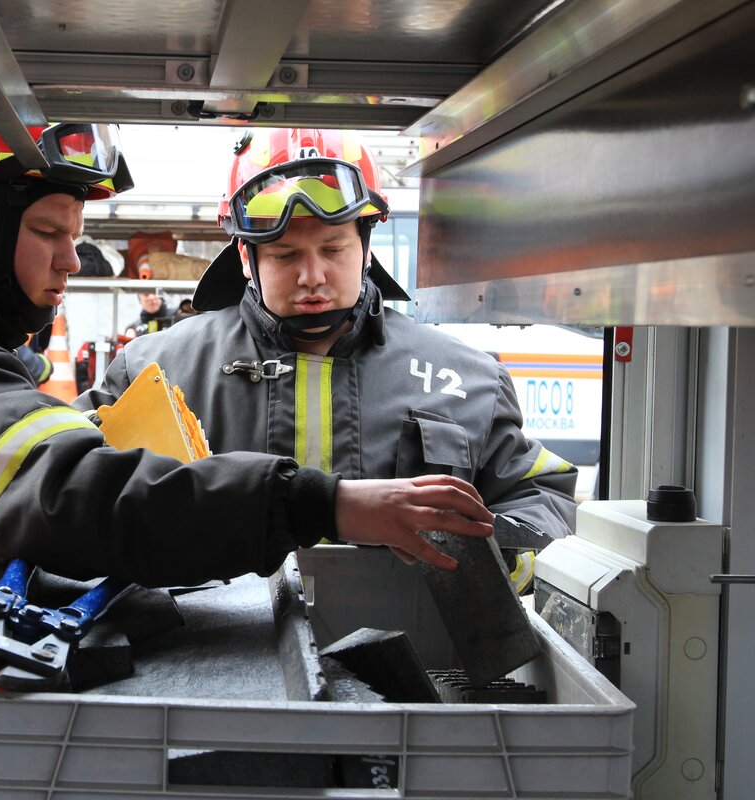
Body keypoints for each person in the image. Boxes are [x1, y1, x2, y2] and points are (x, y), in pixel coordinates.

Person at [0, 120, 496, 678]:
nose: (74, 260)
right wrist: (323, 504)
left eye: (333, 247)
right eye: (47, 230)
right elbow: (78, 493)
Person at [77, 128, 577, 581]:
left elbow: (540, 498)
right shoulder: (152, 372)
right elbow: (69, 485)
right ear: (245, 259)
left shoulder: (469, 379)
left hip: (417, 667)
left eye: (334, 249)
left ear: (367, 245)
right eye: (285, 255)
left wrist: (495, 567)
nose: (312, 276)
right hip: (210, 660)